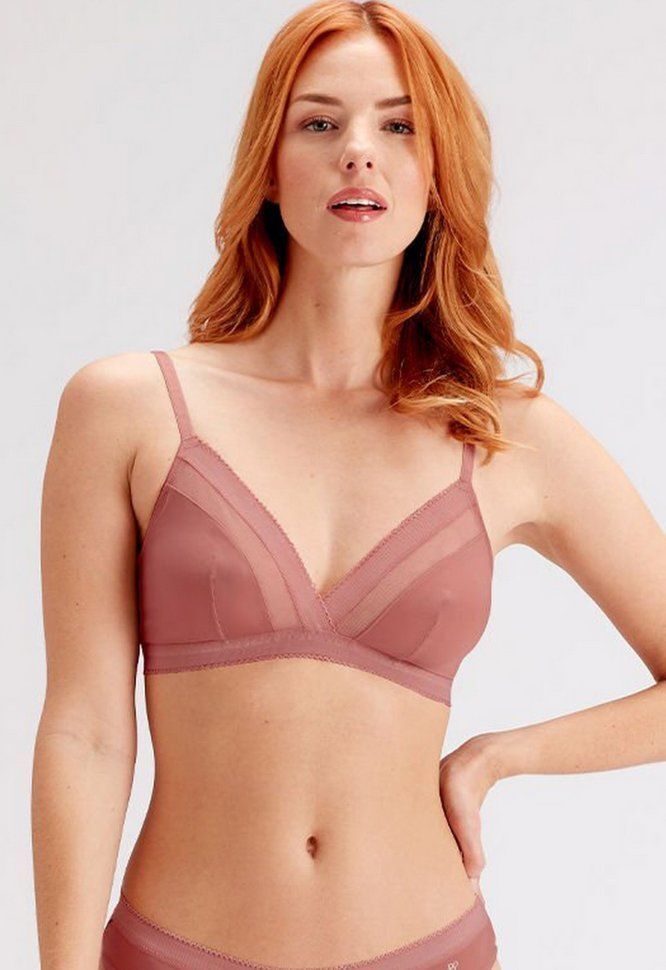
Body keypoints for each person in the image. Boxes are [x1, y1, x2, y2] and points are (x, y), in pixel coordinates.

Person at [32, 3, 665, 969]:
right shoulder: (129, 408)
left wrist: (500, 756)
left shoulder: (506, 436)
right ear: (268, 164)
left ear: (436, 173)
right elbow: (84, 732)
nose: (358, 152)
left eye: (399, 125)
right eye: (320, 122)